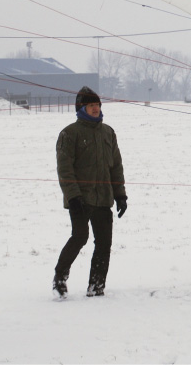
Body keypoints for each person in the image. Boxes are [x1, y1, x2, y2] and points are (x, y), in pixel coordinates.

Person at [53, 86, 127, 298]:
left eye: (97, 105)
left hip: (104, 198)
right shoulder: (69, 134)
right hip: (80, 199)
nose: (95, 109)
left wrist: (120, 195)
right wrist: (73, 196)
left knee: (104, 243)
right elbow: (65, 169)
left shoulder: (108, 133)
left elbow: (116, 166)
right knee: (80, 237)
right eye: (91, 105)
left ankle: (97, 286)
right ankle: (60, 276)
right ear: (81, 108)